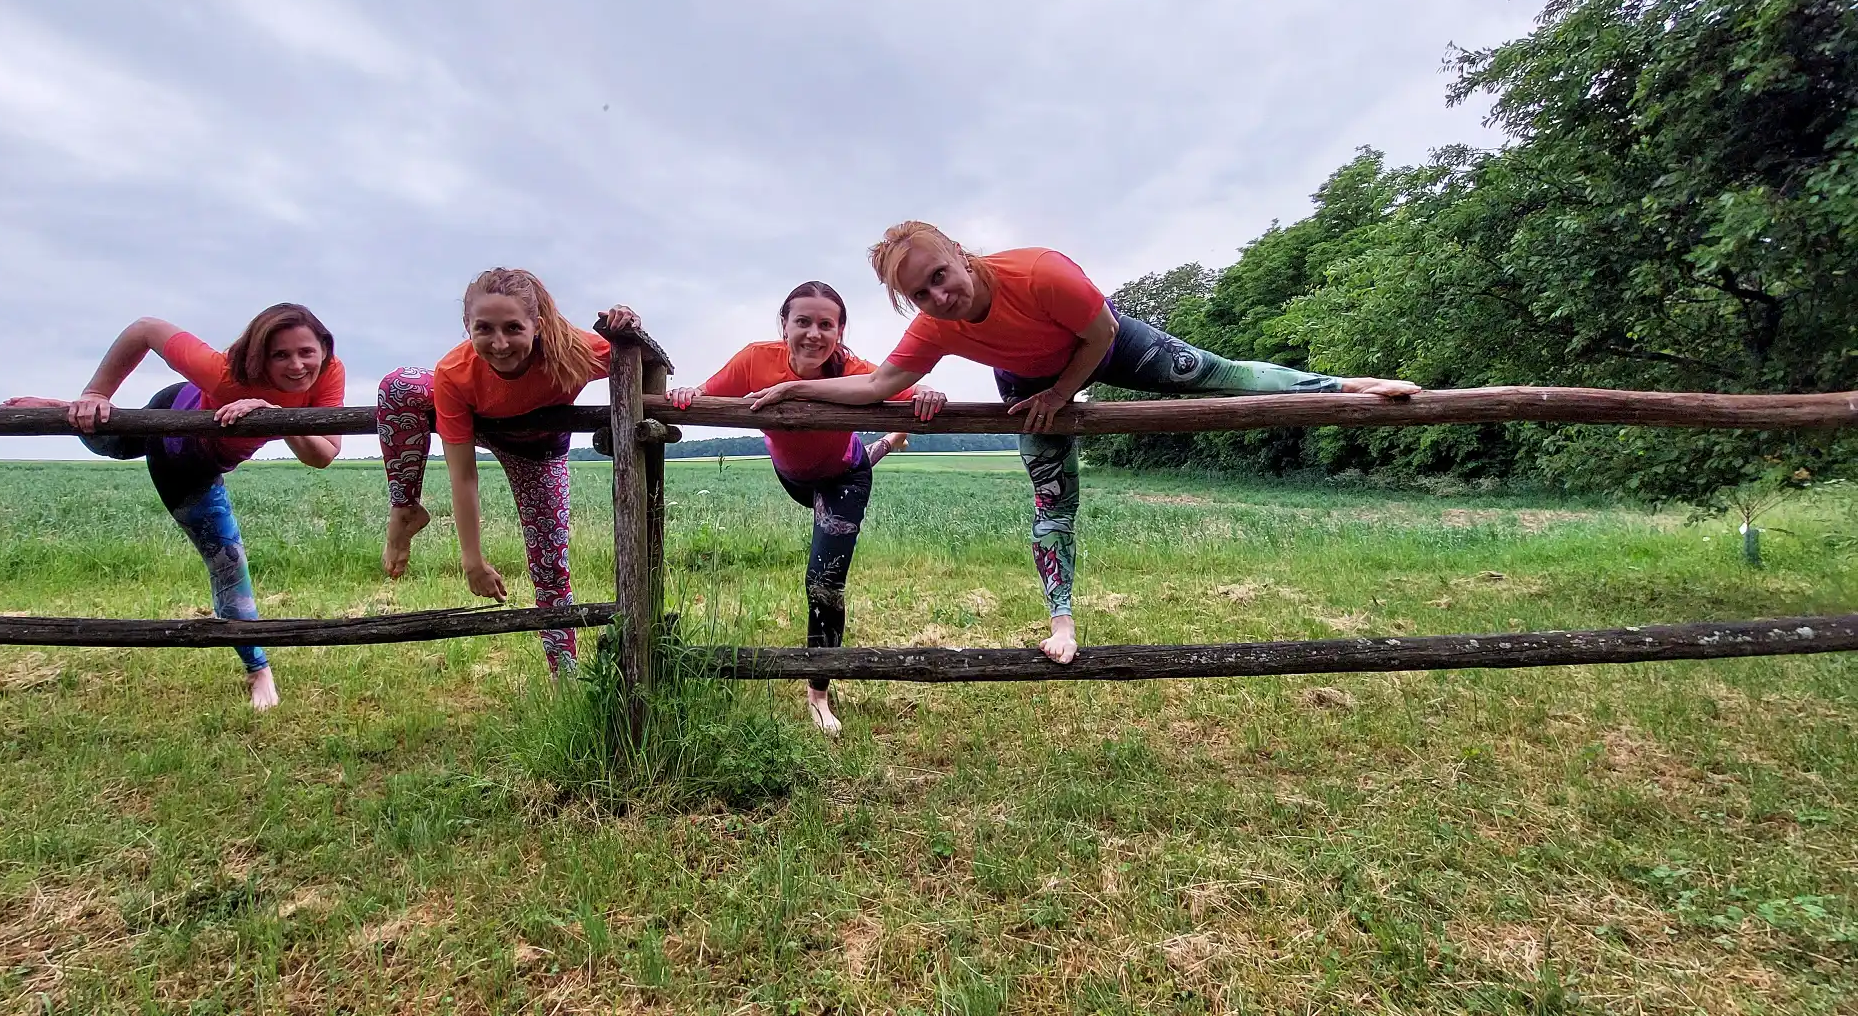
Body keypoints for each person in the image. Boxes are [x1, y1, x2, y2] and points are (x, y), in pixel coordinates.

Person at [744, 221, 1423, 665]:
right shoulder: (936, 328)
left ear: (958, 252)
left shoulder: (1040, 272)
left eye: (939, 275)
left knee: (1215, 374)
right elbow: (878, 385)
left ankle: (1350, 386)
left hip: (1104, 346)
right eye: (920, 293)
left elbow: (1100, 335)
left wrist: (1062, 395)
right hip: (1029, 382)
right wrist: (792, 390)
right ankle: (1061, 622)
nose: (939, 296)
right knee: (1052, 499)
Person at [1, 304, 347, 709]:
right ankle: (259, 670)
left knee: (223, 559)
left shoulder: (329, 371)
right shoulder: (222, 372)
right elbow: (145, 327)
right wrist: (96, 393)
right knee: (112, 443)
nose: (297, 365)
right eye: (280, 355)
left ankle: (256, 669)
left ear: (324, 348)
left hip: (200, 432)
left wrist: (277, 417)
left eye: (306, 352)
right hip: (180, 453)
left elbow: (324, 454)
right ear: (258, 357)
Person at [667, 282, 945, 733]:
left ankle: (818, 694)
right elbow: (703, 395)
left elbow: (906, 386)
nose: (814, 334)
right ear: (784, 325)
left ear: (839, 331)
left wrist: (928, 390)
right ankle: (888, 443)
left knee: (823, 583)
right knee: (837, 482)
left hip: (843, 479)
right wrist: (685, 393)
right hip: (794, 477)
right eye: (803, 322)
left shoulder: (851, 368)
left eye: (825, 325)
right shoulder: (756, 359)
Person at [375, 267, 639, 677]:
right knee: (399, 386)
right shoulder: (455, 371)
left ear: (538, 326)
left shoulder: (574, 350)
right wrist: (472, 560)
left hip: (538, 450)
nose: (499, 344)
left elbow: (647, 361)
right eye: (484, 328)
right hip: (482, 424)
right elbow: (464, 475)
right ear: (467, 326)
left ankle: (564, 674)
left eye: (513, 328)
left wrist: (630, 328)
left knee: (550, 566)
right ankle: (405, 509)